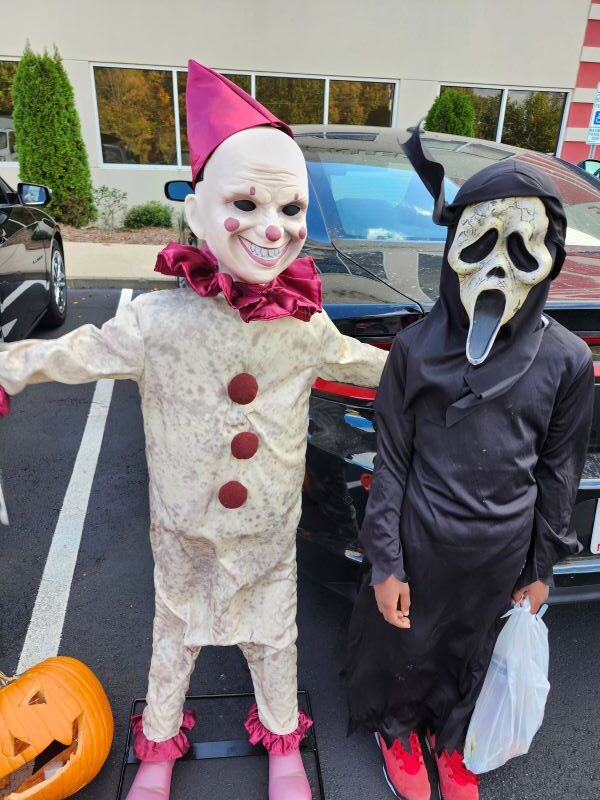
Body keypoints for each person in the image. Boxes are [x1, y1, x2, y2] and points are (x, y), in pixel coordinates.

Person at [0, 61, 387, 800]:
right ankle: (157, 749)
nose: (272, 229)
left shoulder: (304, 323)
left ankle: (281, 745)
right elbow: (77, 353)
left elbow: (366, 363)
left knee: (274, 639)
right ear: (199, 213)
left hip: (269, 531)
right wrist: (10, 366)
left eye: (291, 209)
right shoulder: (156, 321)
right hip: (183, 530)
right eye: (246, 202)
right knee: (173, 637)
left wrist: (451, 373)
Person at [343, 128, 594, 800]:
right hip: (422, 539)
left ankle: (451, 739)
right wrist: (388, 563)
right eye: (481, 244)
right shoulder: (415, 349)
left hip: (501, 551)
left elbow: (558, 471)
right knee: (406, 643)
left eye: (521, 248)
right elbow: (391, 459)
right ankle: (397, 729)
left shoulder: (567, 361)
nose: (498, 269)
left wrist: (540, 569)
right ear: (454, 250)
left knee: (472, 651)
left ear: (550, 256)